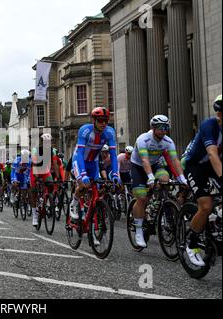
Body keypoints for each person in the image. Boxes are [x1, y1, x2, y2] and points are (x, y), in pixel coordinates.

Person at [130, 115, 188, 248]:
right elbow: (144, 160)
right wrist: (150, 176)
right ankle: (138, 229)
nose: (163, 130)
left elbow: (175, 160)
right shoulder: (143, 139)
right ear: (153, 128)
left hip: (155, 164)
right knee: (142, 198)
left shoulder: (168, 141)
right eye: (161, 128)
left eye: (166, 128)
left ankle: (157, 204)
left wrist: (182, 178)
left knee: (165, 180)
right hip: (138, 166)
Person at [183, 95, 222, 267]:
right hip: (195, 165)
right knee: (206, 205)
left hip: (214, 166)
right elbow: (212, 154)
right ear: (220, 114)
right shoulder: (209, 125)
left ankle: (215, 228)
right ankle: (192, 242)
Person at [69, 107, 121, 222]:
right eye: (100, 120)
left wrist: (116, 174)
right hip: (79, 160)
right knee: (83, 184)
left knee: (98, 188)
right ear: (94, 121)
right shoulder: (85, 130)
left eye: (106, 121)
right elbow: (80, 153)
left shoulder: (110, 132)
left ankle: (90, 208)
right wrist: (83, 174)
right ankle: (74, 202)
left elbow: (113, 155)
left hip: (94, 162)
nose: (103, 123)